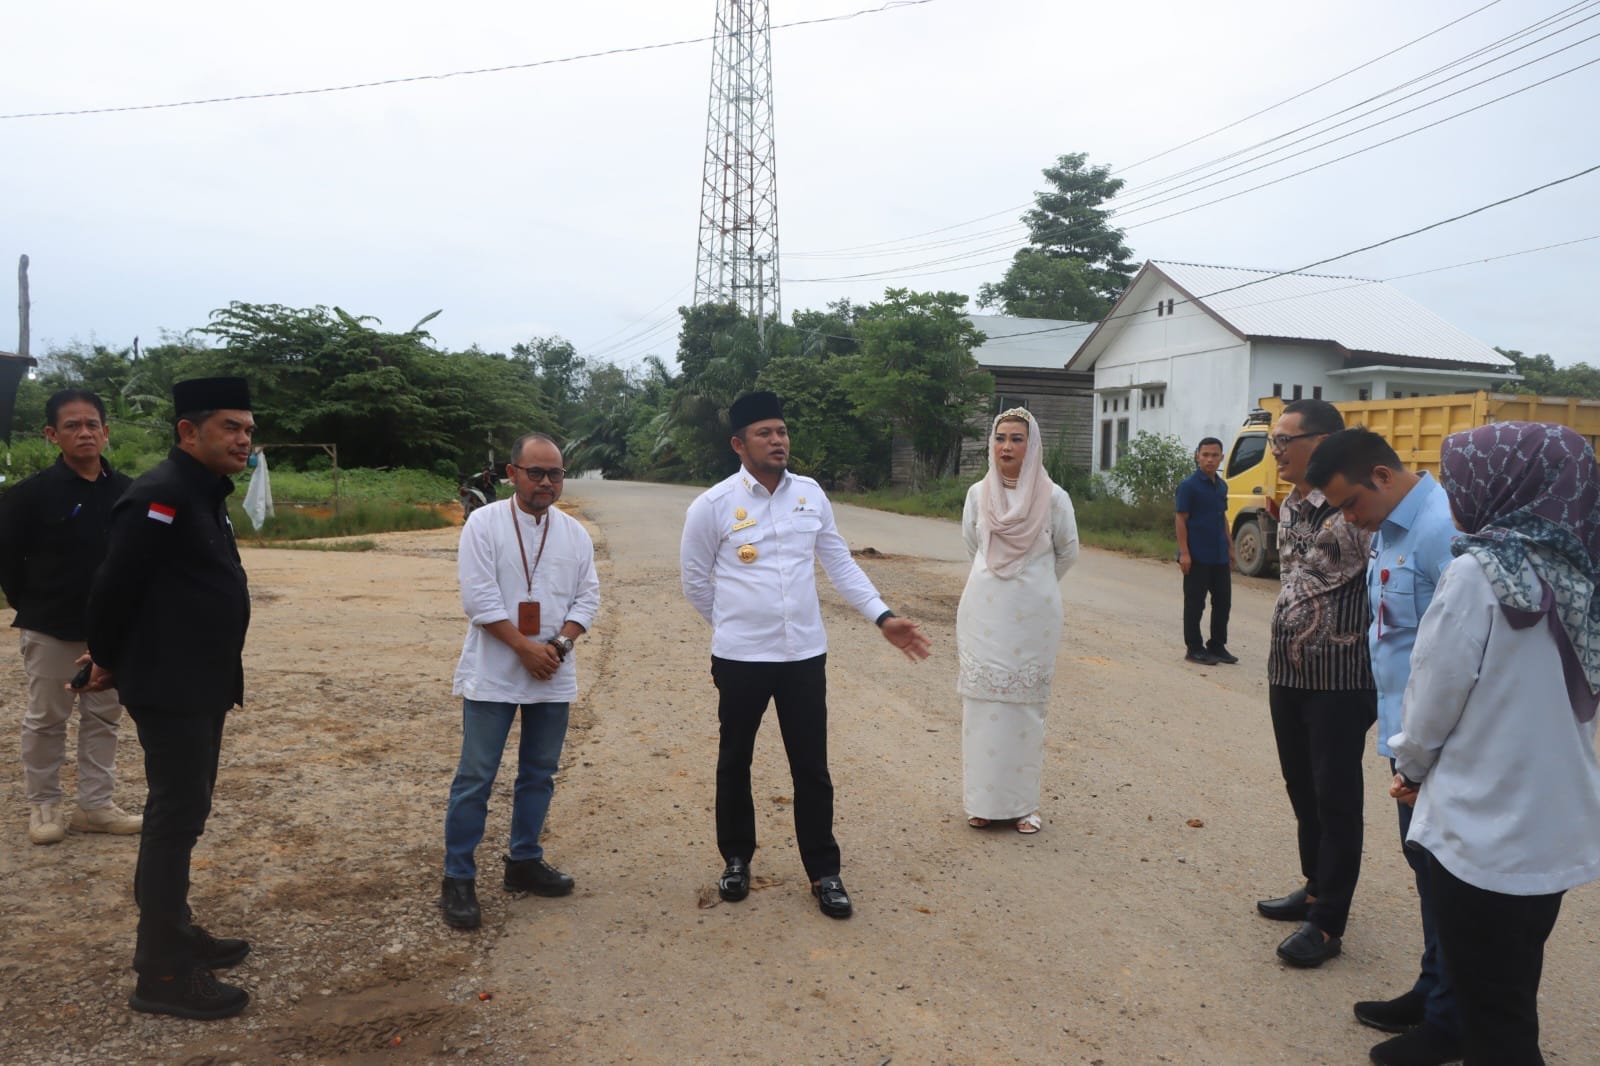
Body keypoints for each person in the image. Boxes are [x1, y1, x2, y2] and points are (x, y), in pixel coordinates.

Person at [1390, 422, 1600, 1065]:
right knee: (1512, 990)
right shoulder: (1580, 574)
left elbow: (1433, 695)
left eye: (1458, 482)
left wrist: (1412, 766)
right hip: (1553, 823)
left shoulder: (1477, 574)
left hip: (1481, 826)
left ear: (1506, 486)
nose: (1453, 495)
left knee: (1494, 1020)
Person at [680, 391, 931, 919]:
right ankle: (736, 859)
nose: (778, 441)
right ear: (738, 443)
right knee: (735, 761)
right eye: (765, 433)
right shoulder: (712, 506)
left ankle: (824, 871)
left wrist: (883, 617)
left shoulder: (810, 495)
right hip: (741, 659)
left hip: (803, 659)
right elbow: (696, 583)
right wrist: (736, 627)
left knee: (811, 768)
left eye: (782, 431)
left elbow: (839, 564)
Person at [82, 377, 256, 1020]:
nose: (244, 439)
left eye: (248, 429)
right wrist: (105, 656)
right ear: (189, 431)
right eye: (230, 427)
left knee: (187, 813)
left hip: (202, 681)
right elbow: (114, 587)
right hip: (172, 684)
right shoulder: (159, 496)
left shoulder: (202, 492)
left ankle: (177, 930)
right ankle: (159, 973)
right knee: (173, 820)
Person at [1307, 428, 1463, 1065]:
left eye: (1348, 504)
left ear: (1381, 476)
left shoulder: (1441, 529)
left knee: (1449, 883)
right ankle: (1434, 993)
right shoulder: (1393, 531)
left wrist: (1424, 752)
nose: (1349, 520)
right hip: (1409, 739)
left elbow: (1461, 652)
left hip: (1442, 744)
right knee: (1425, 873)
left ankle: (1455, 1020)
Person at [440, 432, 599, 931]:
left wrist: (559, 645)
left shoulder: (574, 533)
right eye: (536, 472)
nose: (547, 482)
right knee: (476, 777)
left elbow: (588, 599)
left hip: (553, 669)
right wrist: (525, 648)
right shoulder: (483, 525)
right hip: (495, 671)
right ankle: (458, 877)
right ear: (512, 474)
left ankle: (524, 861)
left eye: (555, 473)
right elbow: (479, 600)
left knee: (539, 773)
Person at [1253, 398, 1376, 968]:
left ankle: (1328, 924)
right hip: (1289, 671)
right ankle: (1313, 887)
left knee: (1336, 798)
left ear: (1323, 443)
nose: (1274, 451)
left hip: (1340, 680)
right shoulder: (1293, 507)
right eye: (1273, 442)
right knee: (1300, 786)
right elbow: (1290, 584)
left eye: (1284, 441)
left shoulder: (1355, 511)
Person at [0, 390, 140, 845]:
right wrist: (38, 606)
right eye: (72, 426)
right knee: (46, 718)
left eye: (92, 424)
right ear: (51, 435)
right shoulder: (30, 495)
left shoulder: (130, 492)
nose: (84, 432)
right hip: (52, 626)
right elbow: (8, 563)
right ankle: (43, 807)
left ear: (106, 430)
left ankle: (96, 806)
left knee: (104, 717)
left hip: (112, 631)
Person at [956, 408, 1079, 834]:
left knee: (1026, 709)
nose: (1007, 446)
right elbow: (972, 544)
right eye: (1000, 438)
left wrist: (1035, 583)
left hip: (1034, 619)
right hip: (983, 611)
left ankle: (1024, 806)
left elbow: (1068, 551)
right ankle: (982, 803)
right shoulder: (977, 494)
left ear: (1033, 446)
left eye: (1016, 439)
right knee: (984, 705)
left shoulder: (1055, 497)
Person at [1175, 436, 1236, 666]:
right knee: (1195, 603)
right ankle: (1194, 648)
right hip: (1197, 555)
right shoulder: (1188, 486)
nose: (1210, 460)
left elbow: (1223, 518)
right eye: (1205, 455)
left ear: (1222, 457)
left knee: (1223, 602)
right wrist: (1184, 553)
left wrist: (1230, 548)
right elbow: (1181, 519)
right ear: (1197, 456)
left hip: (1219, 555)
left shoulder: (1221, 485)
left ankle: (1217, 645)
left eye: (1215, 455)